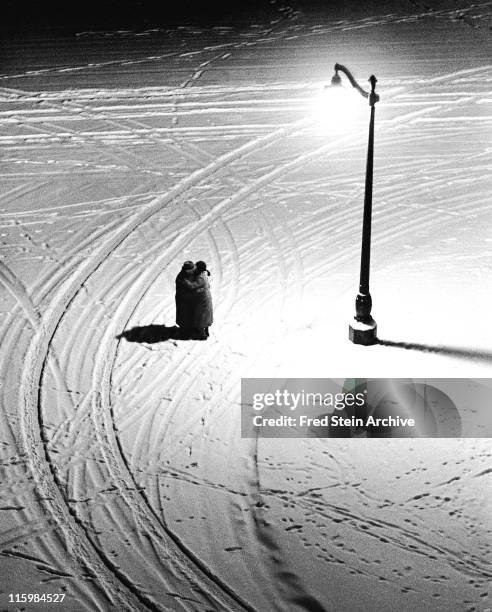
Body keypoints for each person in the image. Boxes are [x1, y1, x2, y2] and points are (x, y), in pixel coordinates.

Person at [175, 261, 203, 339]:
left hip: (192, 299)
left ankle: (195, 331)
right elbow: (190, 287)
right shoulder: (182, 277)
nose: (194, 270)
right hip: (184, 300)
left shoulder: (192, 274)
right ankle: (185, 333)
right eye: (192, 269)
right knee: (185, 317)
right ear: (187, 270)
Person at [192, 261, 213, 340]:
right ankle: (206, 330)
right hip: (207, 297)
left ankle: (201, 333)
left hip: (201, 298)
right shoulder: (204, 274)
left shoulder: (199, 276)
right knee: (207, 314)